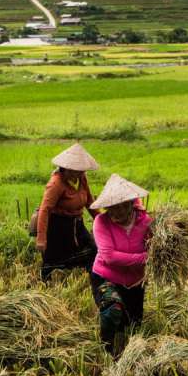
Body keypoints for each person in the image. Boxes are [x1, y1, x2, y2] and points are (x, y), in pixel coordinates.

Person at [89, 174, 153, 355]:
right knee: (113, 310)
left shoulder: (146, 223)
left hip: (135, 282)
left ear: (130, 204)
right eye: (110, 208)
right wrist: (145, 258)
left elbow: (156, 248)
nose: (114, 213)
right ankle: (106, 350)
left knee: (132, 326)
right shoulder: (101, 222)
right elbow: (109, 257)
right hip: (105, 277)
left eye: (119, 208)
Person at [36, 143, 99, 281]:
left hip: (77, 223)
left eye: (83, 170)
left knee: (93, 250)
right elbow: (45, 209)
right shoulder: (56, 183)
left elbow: (89, 201)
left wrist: (100, 219)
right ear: (68, 169)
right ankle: (46, 285)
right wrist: (41, 238)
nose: (82, 173)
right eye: (79, 170)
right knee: (54, 259)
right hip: (57, 226)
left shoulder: (81, 179)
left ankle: (90, 280)